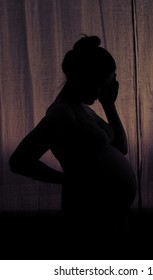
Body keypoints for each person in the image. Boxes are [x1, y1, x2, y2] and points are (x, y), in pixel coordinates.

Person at [9, 35, 137, 249]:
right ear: (81, 76)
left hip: (110, 218)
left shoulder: (83, 110)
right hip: (88, 218)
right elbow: (19, 161)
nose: (103, 92)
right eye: (100, 85)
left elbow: (121, 148)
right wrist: (68, 180)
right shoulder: (62, 114)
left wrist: (109, 105)